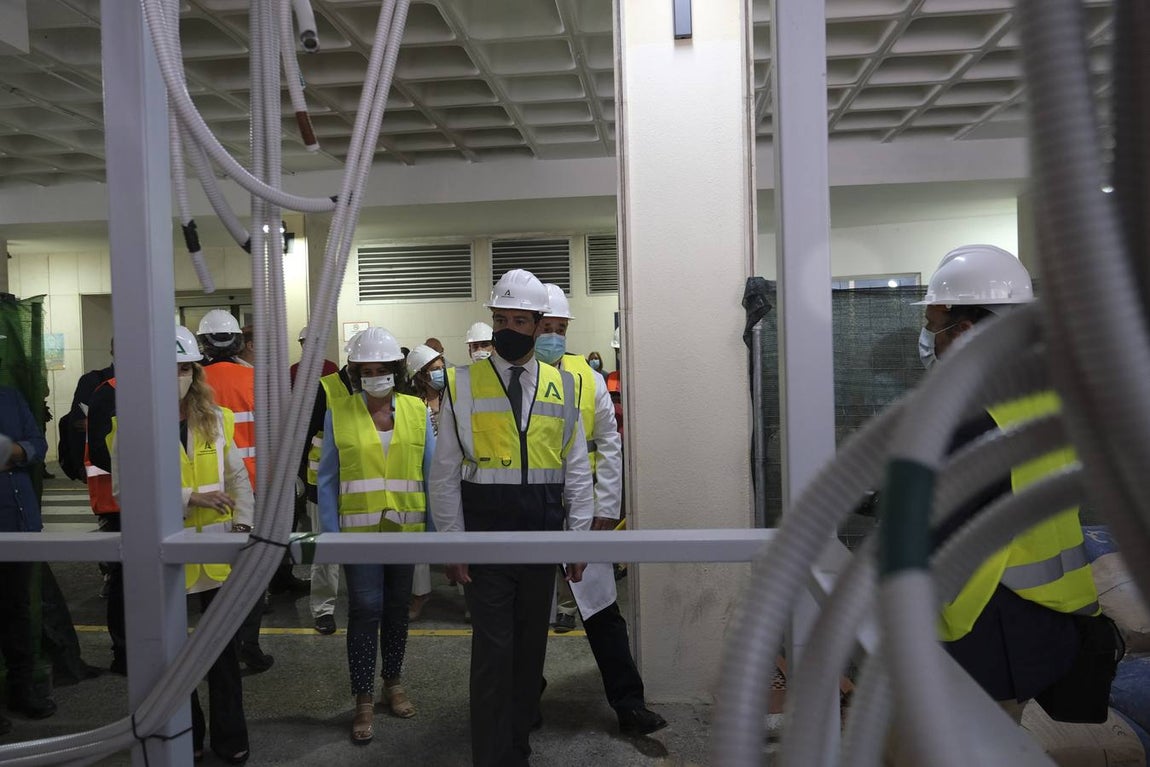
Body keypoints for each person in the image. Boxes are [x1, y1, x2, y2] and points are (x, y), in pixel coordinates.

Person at [919, 245, 1106, 723]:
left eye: (932, 322)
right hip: (1042, 622)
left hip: (980, 628)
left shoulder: (969, 414)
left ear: (964, 333)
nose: (926, 335)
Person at [431, 268, 594, 767]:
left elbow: (578, 471)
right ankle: (490, 756)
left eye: (518, 320)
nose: (507, 329)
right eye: (499, 319)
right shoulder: (462, 383)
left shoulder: (563, 386)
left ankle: (517, 750)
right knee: (492, 658)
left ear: (538, 324)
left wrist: (578, 543)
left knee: (529, 657)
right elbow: (443, 475)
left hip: (542, 542)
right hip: (485, 544)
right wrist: (453, 547)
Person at [111, 325, 251, 764]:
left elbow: (237, 479)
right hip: (164, 557)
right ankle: (184, 736)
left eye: (185, 367)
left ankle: (231, 741)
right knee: (171, 659)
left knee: (223, 657)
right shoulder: (130, 424)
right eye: (169, 368)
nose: (178, 375)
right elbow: (123, 490)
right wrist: (189, 497)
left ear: (196, 370)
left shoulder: (217, 418)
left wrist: (246, 527)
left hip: (216, 556)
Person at [535, 283, 666, 735]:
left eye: (560, 328)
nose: (553, 336)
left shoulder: (586, 377)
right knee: (529, 614)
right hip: (531, 511)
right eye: (545, 328)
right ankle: (526, 698)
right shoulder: (512, 378)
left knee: (603, 611)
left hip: (584, 510)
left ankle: (629, 704)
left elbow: (609, 442)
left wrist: (607, 507)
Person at [316, 327, 435, 743]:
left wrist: (440, 537)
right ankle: (363, 697)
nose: (374, 376)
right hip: (358, 534)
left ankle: (393, 681)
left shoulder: (418, 412)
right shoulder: (339, 412)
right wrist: (329, 536)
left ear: (396, 371)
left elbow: (431, 475)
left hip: (406, 532)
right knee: (366, 611)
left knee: (398, 610)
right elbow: (327, 479)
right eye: (365, 370)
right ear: (354, 373)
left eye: (382, 369)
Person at [195, 310, 279, 674]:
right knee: (253, 571)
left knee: (211, 575)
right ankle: (249, 643)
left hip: (208, 495)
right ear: (239, 342)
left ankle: (215, 646)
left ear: (203, 344)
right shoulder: (259, 380)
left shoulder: (192, 383)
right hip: (255, 490)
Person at [0, 380, 56, 729]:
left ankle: (21, 692)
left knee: (16, 610)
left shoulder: (9, 395)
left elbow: (38, 444)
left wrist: (12, 452)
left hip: (18, 521)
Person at [302, 338, 357, 635]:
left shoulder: (376, 386)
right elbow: (305, 435)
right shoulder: (324, 388)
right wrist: (301, 479)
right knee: (324, 551)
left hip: (361, 484)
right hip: (321, 484)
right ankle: (323, 609)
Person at [85, 374, 126, 674]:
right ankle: (123, 652)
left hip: (148, 498)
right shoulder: (108, 393)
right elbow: (100, 451)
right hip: (117, 502)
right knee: (124, 580)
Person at [402, 344, 446, 621]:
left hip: (456, 474)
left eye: (442, 367)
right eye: (434, 370)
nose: (440, 373)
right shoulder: (410, 404)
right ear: (420, 374)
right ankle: (420, 593)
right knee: (418, 535)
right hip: (422, 474)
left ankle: (469, 597)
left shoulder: (455, 395)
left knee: (462, 536)